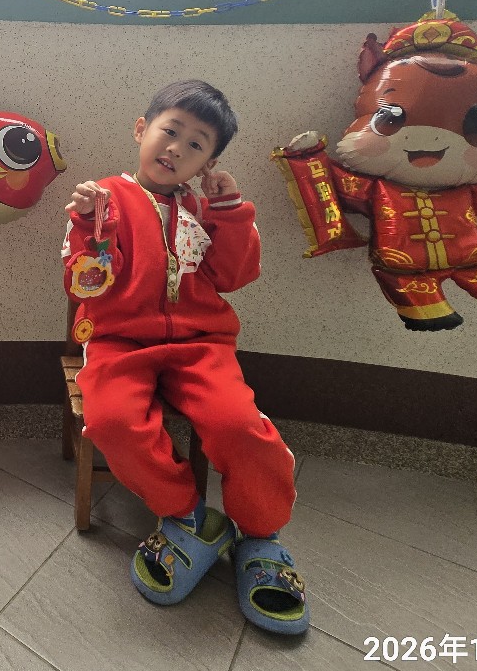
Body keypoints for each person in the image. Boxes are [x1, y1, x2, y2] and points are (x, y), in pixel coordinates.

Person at [61, 79, 308, 634]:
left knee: (238, 425)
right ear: (141, 129)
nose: (176, 148)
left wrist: (230, 210)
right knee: (112, 421)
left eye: (196, 144)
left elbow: (235, 276)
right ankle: (189, 517)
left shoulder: (208, 207)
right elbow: (84, 284)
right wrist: (89, 225)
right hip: (119, 343)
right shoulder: (103, 197)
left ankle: (261, 536)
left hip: (202, 347)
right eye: (169, 131)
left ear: (208, 162)